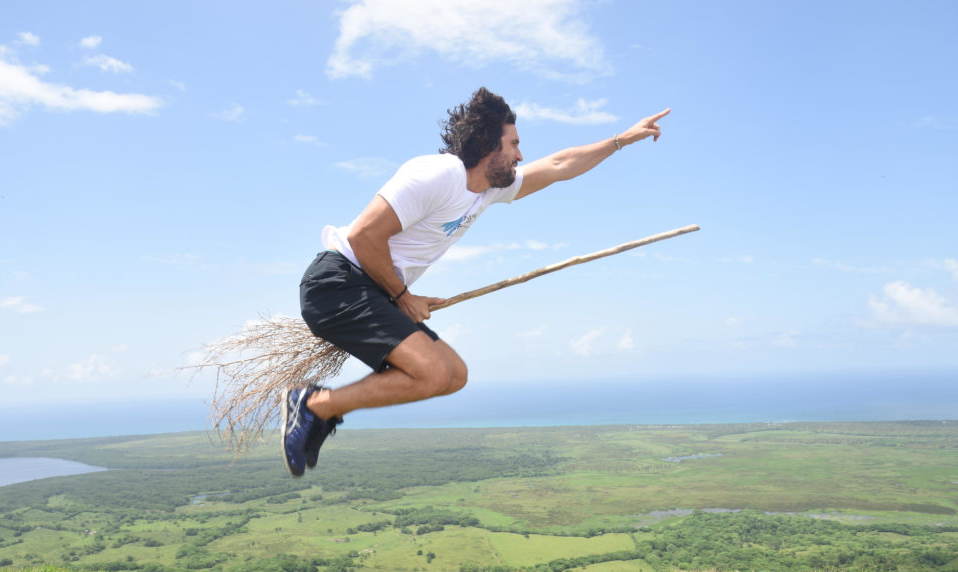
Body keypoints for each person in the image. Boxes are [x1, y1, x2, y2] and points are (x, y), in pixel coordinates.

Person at [282, 87, 669, 476]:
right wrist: (402, 296)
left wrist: (621, 140)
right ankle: (314, 406)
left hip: (370, 289)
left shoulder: (486, 192)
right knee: (432, 372)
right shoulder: (439, 174)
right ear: (487, 144)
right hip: (336, 284)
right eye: (514, 144)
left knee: (453, 375)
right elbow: (364, 236)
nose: (520, 155)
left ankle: (320, 409)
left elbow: (557, 165)